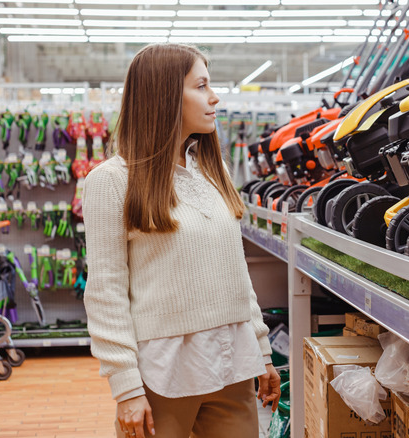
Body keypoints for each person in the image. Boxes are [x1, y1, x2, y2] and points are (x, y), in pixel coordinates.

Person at [82, 43, 281, 438]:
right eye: (201, 85)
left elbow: (235, 270)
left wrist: (262, 351)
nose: (215, 96)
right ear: (165, 95)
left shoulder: (214, 170)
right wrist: (126, 388)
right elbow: (106, 291)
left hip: (232, 363)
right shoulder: (111, 181)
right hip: (163, 375)